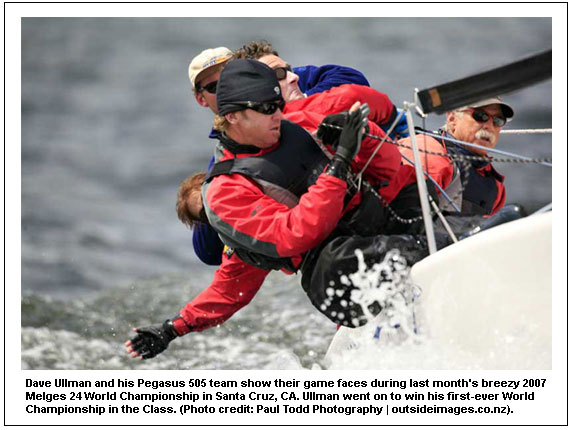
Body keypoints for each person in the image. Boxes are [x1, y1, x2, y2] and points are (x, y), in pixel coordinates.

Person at [125, 59, 438, 360]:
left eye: (276, 105)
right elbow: (292, 237)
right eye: (265, 109)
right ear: (232, 116)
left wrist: (362, 135)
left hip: (380, 219)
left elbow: (369, 111)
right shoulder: (227, 194)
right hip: (336, 269)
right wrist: (170, 330)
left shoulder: (297, 117)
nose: (276, 114)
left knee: (419, 194)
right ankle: (431, 266)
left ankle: (450, 253)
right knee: (348, 256)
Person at [193, 40, 410, 265]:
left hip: (390, 185)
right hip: (332, 241)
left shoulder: (296, 86)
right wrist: (203, 208)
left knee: (426, 160)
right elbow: (208, 251)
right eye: (214, 86)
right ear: (201, 99)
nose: (227, 86)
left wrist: (297, 107)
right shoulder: (226, 168)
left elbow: (356, 84)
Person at [398, 97, 514, 215]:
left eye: (498, 120)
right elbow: (404, 212)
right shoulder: (428, 151)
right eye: (480, 116)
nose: (489, 126)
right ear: (452, 119)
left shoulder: (495, 186)